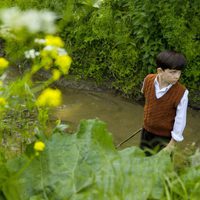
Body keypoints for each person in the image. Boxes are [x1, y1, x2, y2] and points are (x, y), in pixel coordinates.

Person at [140, 50, 189, 156]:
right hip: (146, 131)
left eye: (179, 72)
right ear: (160, 71)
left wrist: (172, 144)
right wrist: (150, 121)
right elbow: (146, 96)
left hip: (165, 137)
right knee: (143, 160)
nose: (177, 76)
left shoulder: (181, 93)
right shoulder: (148, 80)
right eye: (173, 72)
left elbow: (180, 121)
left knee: (162, 166)